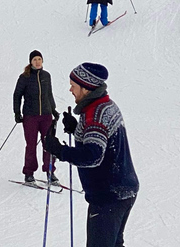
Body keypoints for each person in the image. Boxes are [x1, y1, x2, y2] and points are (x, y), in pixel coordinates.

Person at [43, 62, 139, 247]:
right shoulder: (105, 106)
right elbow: (99, 139)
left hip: (109, 196)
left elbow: (93, 156)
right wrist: (77, 128)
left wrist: (60, 150)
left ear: (86, 88)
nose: (70, 89)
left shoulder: (95, 115)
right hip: (121, 191)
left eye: (73, 85)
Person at [13, 50, 59, 184]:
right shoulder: (24, 77)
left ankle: (50, 171)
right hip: (30, 116)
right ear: (30, 62)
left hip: (46, 115)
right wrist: (17, 112)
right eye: (35, 60)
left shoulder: (46, 75)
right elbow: (17, 95)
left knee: (48, 144)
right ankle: (29, 173)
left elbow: (49, 94)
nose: (37, 62)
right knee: (31, 145)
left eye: (39, 59)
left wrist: (53, 110)